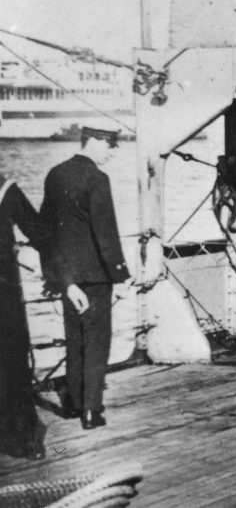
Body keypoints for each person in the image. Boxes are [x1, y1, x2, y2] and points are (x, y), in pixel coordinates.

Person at [40, 126, 131, 430]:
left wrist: (59, 278)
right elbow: (106, 235)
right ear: (92, 142)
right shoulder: (97, 179)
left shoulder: (55, 174)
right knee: (96, 341)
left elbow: (45, 230)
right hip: (95, 277)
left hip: (68, 278)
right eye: (109, 144)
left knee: (75, 340)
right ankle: (91, 410)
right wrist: (120, 276)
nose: (112, 150)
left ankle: (75, 405)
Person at [0, 175, 50, 459]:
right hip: (3, 292)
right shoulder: (4, 188)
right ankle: (22, 439)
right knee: (12, 362)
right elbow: (39, 231)